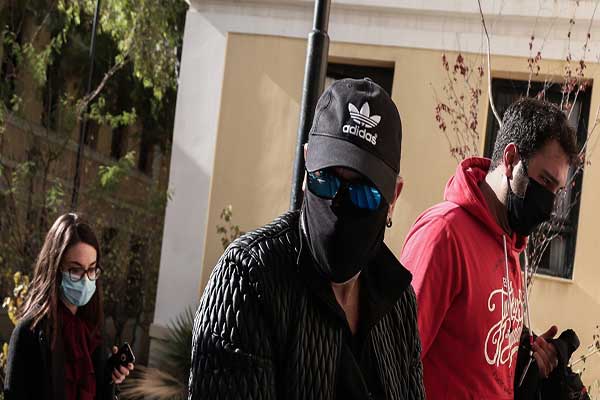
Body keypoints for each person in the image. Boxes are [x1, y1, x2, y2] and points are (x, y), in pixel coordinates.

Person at [188, 78, 425, 399]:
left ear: (393, 197)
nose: (339, 203)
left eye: (363, 193)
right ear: (306, 165)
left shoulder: (398, 302)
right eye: (325, 180)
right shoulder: (249, 279)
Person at [400, 98, 578, 399]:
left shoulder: (510, 244)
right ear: (510, 159)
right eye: (545, 181)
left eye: (557, 191)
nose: (549, 207)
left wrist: (526, 362)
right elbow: (394, 363)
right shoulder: (444, 234)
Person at [4, 213, 135, 400]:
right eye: (75, 270)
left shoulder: (93, 333)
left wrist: (110, 377)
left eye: (91, 269)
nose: (85, 279)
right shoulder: (29, 332)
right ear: (55, 269)